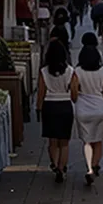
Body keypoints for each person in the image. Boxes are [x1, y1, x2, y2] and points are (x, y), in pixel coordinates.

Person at [71, 38, 103, 185]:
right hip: (99, 108)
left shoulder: (77, 71)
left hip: (83, 109)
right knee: (98, 140)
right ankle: (95, 165)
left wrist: (76, 100)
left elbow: (74, 91)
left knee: (87, 142)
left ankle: (89, 169)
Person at [36, 40, 74, 183]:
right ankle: (62, 167)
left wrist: (38, 108)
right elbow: (74, 90)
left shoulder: (44, 72)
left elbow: (41, 92)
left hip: (49, 106)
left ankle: (55, 166)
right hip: (65, 106)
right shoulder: (70, 71)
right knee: (64, 142)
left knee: (52, 141)